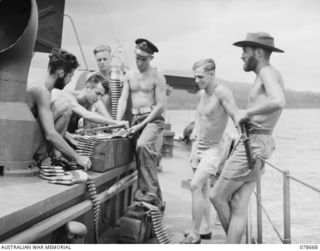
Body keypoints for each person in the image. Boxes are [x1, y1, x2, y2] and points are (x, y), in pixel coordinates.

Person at [210, 32, 286, 243]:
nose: (241, 56)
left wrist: (247, 113)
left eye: (245, 50)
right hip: (258, 143)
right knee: (238, 204)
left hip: (253, 145)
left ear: (259, 52)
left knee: (216, 196)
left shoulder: (267, 72)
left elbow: (278, 100)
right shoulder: (267, 74)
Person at [180, 59, 240, 244]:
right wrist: (196, 131)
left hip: (214, 149)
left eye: (200, 77)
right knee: (203, 189)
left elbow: (235, 115)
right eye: (195, 77)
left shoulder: (221, 92)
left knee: (195, 185)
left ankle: (195, 234)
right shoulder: (203, 93)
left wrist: (244, 141)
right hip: (198, 146)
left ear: (212, 73)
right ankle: (205, 229)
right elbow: (200, 115)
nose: (196, 81)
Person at [116, 38, 166, 209]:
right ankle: (158, 200)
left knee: (142, 146)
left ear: (151, 58)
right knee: (140, 156)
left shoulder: (158, 77)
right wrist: (117, 121)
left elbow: (160, 106)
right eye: (137, 58)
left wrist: (140, 125)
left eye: (143, 59)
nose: (139, 62)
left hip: (153, 119)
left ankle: (150, 193)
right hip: (136, 119)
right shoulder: (129, 75)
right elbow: (123, 99)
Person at [27, 48, 91, 170]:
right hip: (24, 146)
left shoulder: (45, 89)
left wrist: (67, 135)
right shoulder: (41, 91)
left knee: (63, 105)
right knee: (64, 105)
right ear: (61, 73)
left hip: (30, 139)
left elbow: (45, 120)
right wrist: (78, 157)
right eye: (70, 76)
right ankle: (42, 158)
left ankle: (52, 156)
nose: (70, 80)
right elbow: (50, 134)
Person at [51, 72, 128, 138]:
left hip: (66, 135)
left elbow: (87, 127)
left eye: (101, 95)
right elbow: (86, 115)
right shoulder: (69, 96)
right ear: (87, 87)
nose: (98, 98)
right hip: (52, 135)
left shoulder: (89, 102)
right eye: (97, 93)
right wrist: (116, 123)